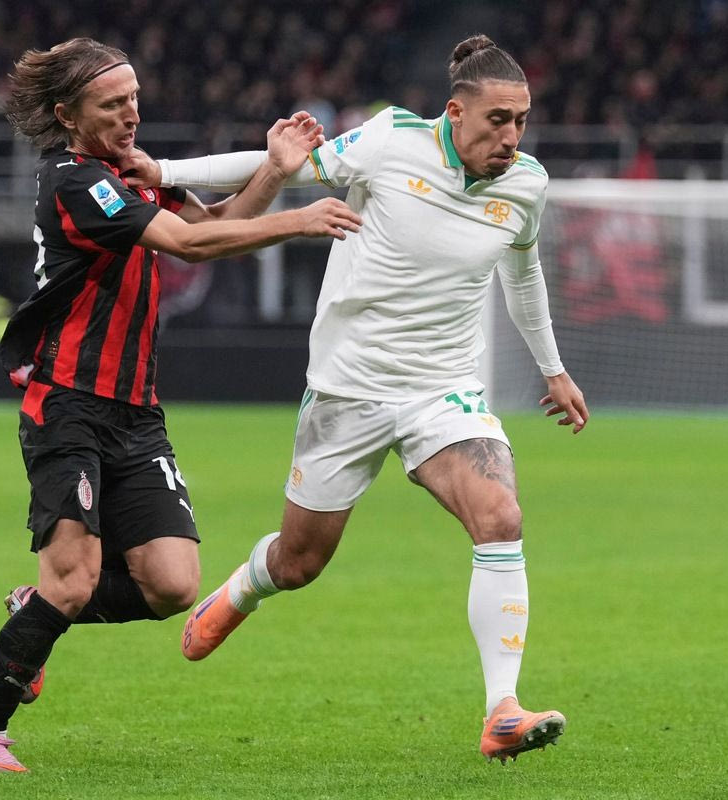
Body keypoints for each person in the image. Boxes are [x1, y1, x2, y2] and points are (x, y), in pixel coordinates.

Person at [127, 34, 590, 764]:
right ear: (456, 112)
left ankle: (502, 709)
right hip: (348, 387)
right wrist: (164, 171)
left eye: (521, 121)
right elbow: (280, 162)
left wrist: (552, 369)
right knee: (300, 563)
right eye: (498, 120)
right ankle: (244, 588)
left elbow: (523, 274)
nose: (511, 137)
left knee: (500, 515)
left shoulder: (525, 184)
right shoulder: (391, 140)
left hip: (443, 389)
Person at [0, 37, 361, 774]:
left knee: (172, 584)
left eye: (134, 98)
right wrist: (298, 219)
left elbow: (211, 226)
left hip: (136, 413)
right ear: (67, 116)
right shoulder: (76, 182)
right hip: (67, 404)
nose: (131, 114)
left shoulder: (131, 172)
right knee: (74, 579)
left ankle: (34, 610)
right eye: (113, 104)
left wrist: (276, 170)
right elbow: (187, 246)